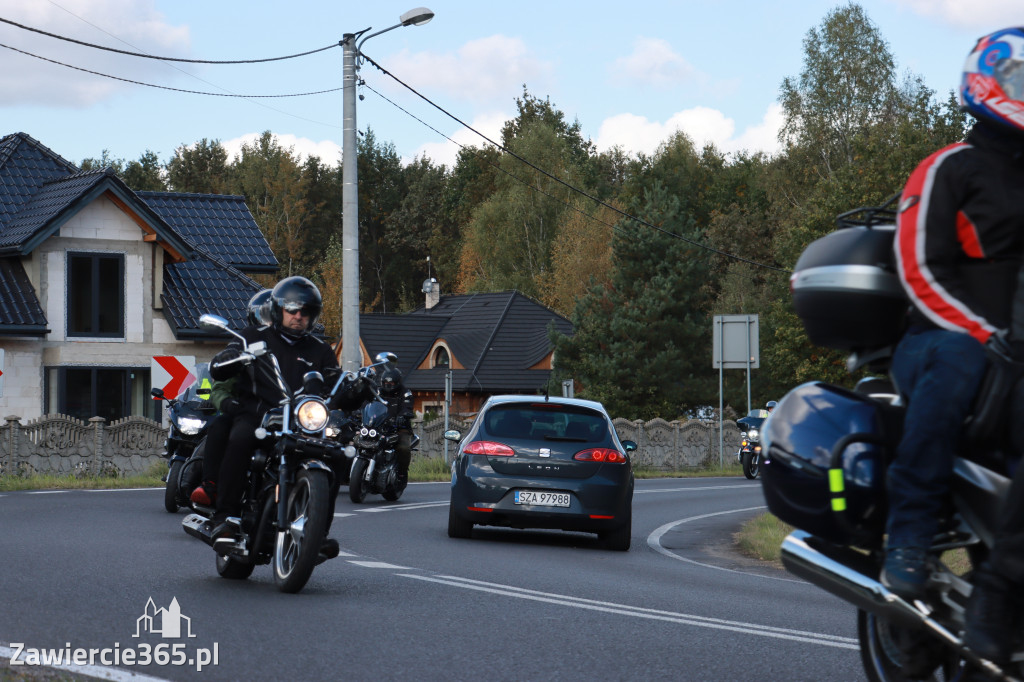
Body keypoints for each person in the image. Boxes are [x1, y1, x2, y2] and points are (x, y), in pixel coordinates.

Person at [881, 26, 1024, 665]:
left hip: (1017, 362)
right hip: (941, 340)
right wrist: (983, 334)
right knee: (955, 361)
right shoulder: (949, 167)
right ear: (989, 80)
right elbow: (917, 267)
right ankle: (909, 534)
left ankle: (1003, 583)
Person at [205, 277, 339, 555]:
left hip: (302, 422)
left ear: (312, 316)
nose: (298, 316)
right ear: (279, 310)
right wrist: (228, 360)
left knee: (333, 457)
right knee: (240, 438)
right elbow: (225, 359)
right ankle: (226, 518)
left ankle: (318, 533)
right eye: (292, 310)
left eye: (305, 311)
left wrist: (358, 387)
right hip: (258, 415)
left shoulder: (321, 350)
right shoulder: (255, 337)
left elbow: (336, 384)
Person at [189, 289, 273, 507]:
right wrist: (228, 403)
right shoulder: (244, 344)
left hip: (285, 414)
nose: (270, 321)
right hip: (247, 412)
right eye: (266, 315)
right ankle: (211, 486)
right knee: (220, 425)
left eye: (275, 315)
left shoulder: (295, 348)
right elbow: (220, 385)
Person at [378, 366, 415, 490]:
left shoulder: (405, 393)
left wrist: (403, 415)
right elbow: (368, 403)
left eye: (391, 383)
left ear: (397, 383)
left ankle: (402, 473)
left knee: (403, 448)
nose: (388, 385)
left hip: (399, 428)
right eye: (386, 383)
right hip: (379, 426)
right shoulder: (377, 392)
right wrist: (360, 413)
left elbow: (407, 406)